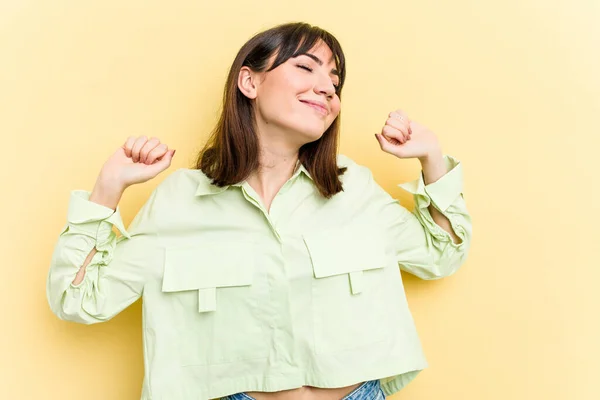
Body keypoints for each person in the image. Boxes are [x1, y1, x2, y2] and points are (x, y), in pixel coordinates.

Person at [46, 21, 472, 400]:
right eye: (306, 68)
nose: (326, 87)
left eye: (335, 81)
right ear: (249, 82)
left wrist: (431, 158)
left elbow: (442, 253)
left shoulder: (353, 187)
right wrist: (108, 188)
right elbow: (79, 298)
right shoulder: (180, 200)